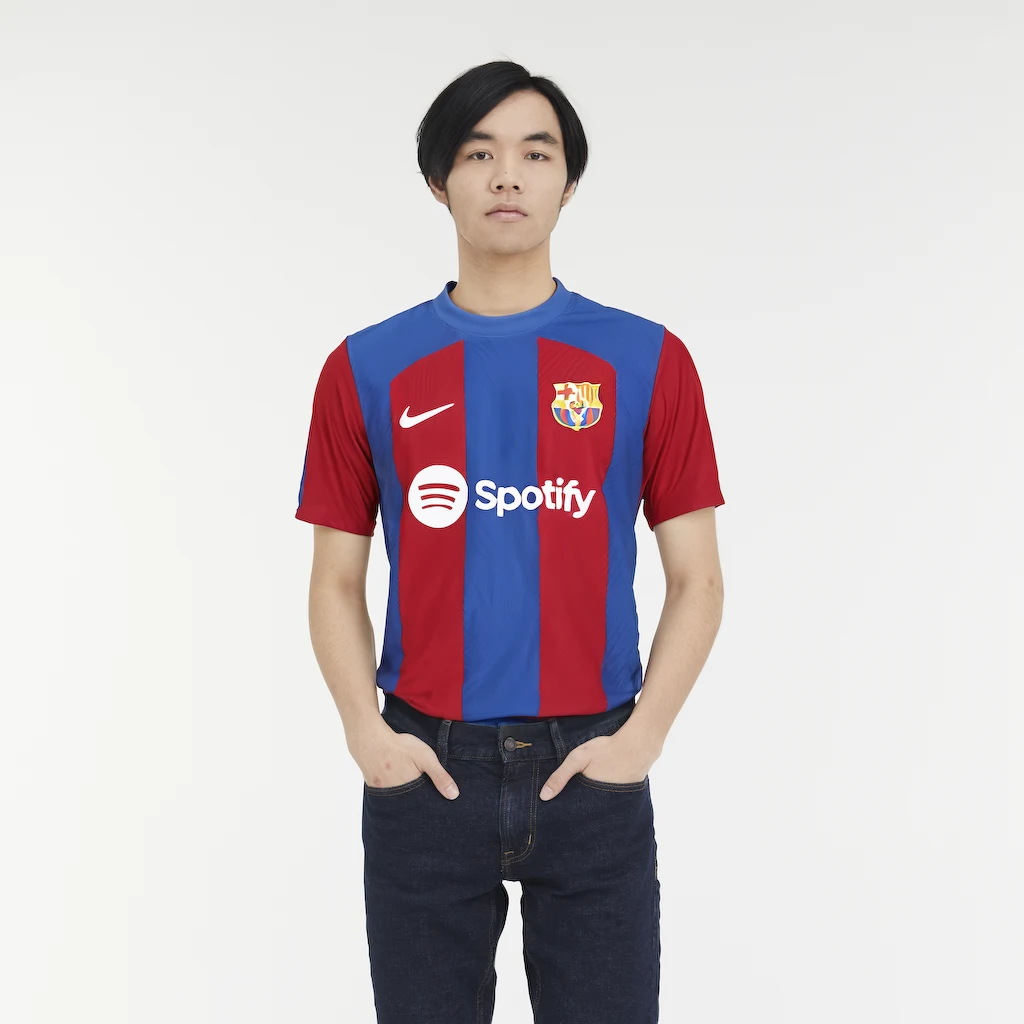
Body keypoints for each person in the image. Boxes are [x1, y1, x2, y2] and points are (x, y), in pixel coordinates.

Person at [295, 59, 726, 1024]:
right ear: (437, 179)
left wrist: (643, 736)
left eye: (536, 154)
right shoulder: (366, 366)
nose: (506, 176)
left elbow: (697, 578)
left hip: (593, 766)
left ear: (568, 183)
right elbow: (334, 580)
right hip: (425, 768)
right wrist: (366, 733)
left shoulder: (647, 358)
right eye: (478, 153)